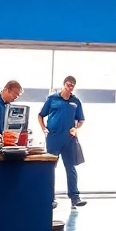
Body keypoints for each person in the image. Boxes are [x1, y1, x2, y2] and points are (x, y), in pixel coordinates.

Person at [39, 76, 86, 208]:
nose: (69, 87)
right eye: (68, 84)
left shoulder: (75, 101)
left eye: (72, 86)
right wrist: (43, 128)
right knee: (50, 168)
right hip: (53, 138)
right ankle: (50, 198)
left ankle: (75, 198)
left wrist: (76, 128)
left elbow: (81, 119)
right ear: (64, 84)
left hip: (68, 139)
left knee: (70, 167)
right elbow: (41, 114)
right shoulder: (52, 99)